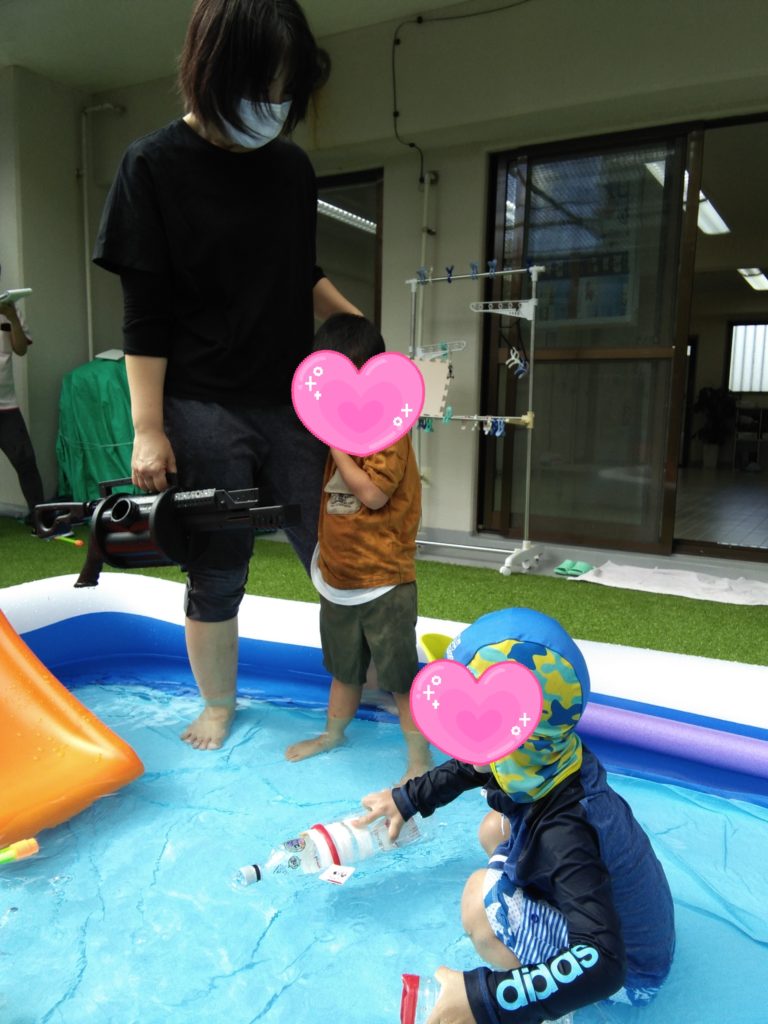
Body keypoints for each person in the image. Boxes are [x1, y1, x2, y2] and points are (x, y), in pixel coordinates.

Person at [92, 0, 360, 751]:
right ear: (213, 69)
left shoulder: (290, 168)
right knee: (218, 565)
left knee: (341, 549)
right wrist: (149, 428)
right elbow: (144, 312)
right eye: (263, 83)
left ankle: (367, 680)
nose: (274, 102)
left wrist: (359, 329)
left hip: (291, 398)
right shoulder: (151, 166)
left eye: (286, 88)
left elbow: (300, 271)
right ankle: (217, 704)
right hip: (201, 402)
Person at [355, 608, 675, 1024]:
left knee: (479, 904)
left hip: (628, 974)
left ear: (517, 732)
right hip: (625, 924)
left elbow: (604, 963)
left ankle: (544, 1010)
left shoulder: (565, 831)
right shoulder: (547, 756)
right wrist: (406, 799)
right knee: (495, 828)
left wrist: (485, 999)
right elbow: (474, 765)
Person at [285, 313, 431, 782]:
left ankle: (419, 760)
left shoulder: (389, 435)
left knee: (401, 680)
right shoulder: (342, 436)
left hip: (384, 580)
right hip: (340, 579)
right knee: (344, 670)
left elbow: (373, 494)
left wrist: (335, 443)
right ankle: (333, 734)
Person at [0, 265, 45, 522]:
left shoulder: (9, 309)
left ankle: (40, 517)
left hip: (6, 406)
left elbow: (20, 350)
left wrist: (12, 317)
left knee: (26, 461)